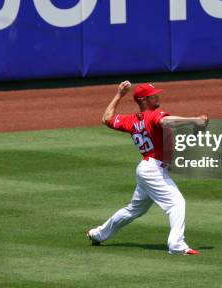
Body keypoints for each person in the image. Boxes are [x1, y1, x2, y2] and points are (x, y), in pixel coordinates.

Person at [87, 81, 207, 255]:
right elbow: (167, 122)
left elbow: (106, 118)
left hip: (148, 168)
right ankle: (176, 245)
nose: (157, 96)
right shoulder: (153, 115)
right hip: (153, 169)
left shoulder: (131, 121)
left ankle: (98, 234)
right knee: (177, 203)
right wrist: (194, 119)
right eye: (152, 95)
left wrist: (119, 94)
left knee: (134, 210)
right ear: (143, 100)